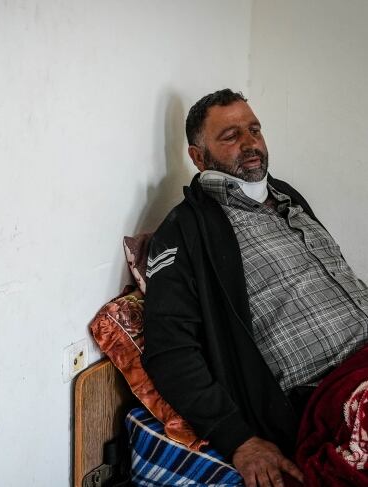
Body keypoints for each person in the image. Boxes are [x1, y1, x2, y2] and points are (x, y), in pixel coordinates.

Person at [141, 89, 368, 487]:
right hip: (331, 389)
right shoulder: (185, 229)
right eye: (230, 136)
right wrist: (239, 439)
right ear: (198, 157)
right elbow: (171, 353)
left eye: (254, 129)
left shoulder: (288, 198)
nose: (250, 144)